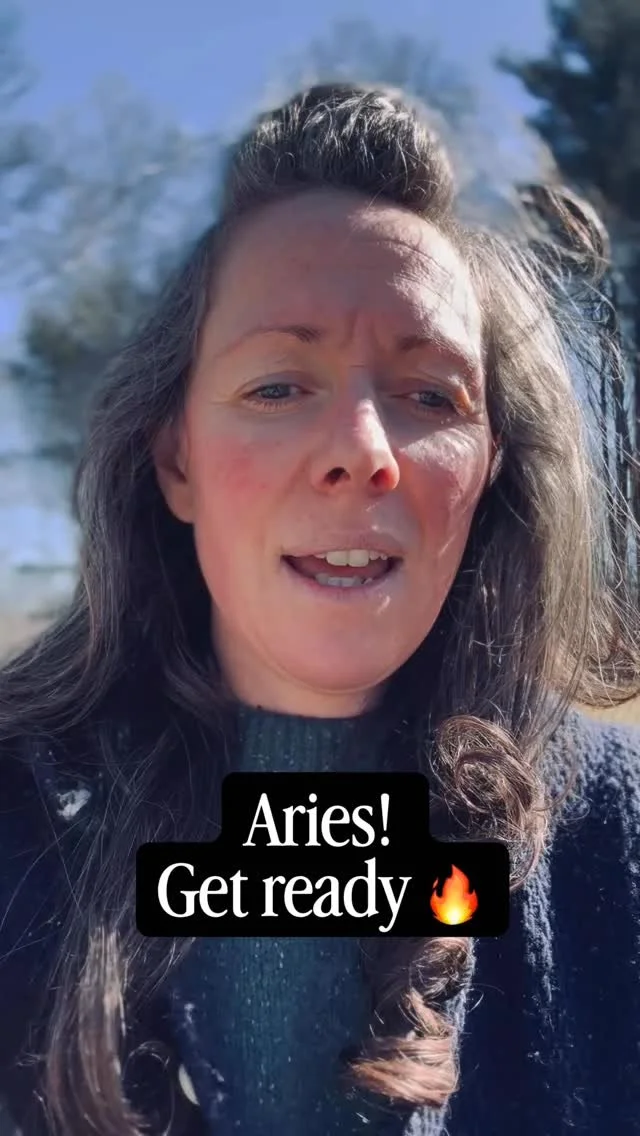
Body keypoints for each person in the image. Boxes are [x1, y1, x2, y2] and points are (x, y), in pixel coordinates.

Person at [0, 81, 639, 1136]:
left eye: (430, 396)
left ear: (489, 465)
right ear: (176, 459)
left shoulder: (610, 834)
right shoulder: (19, 813)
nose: (363, 450)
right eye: (277, 386)